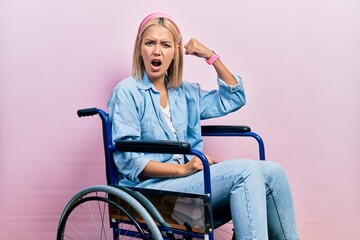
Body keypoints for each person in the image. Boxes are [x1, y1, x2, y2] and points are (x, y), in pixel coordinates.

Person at [108, 12, 299, 240]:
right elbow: (128, 159)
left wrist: (211, 56)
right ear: (140, 49)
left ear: (176, 53)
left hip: (191, 184)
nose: (157, 51)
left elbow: (234, 98)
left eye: (165, 45)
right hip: (154, 192)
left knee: (274, 172)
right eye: (150, 43)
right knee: (246, 171)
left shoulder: (187, 93)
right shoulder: (127, 92)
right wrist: (182, 169)